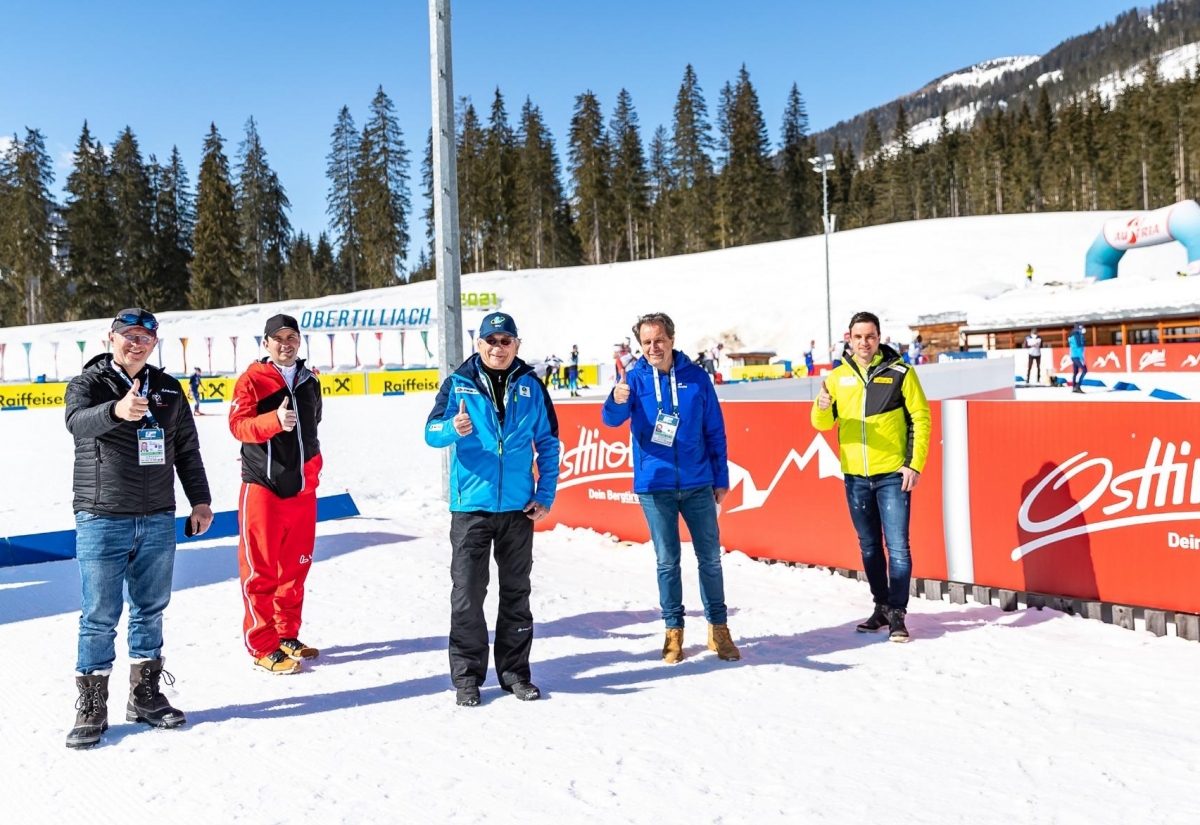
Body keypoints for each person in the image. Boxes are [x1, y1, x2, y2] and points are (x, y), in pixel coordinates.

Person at [63, 308, 214, 749]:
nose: (137, 343)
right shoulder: (88, 383)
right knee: (99, 616)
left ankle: (144, 696)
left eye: (146, 336)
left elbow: (186, 448)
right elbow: (76, 423)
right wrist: (117, 411)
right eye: (129, 335)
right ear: (110, 338)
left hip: (157, 517)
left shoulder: (167, 387)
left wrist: (200, 500)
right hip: (101, 516)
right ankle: (92, 705)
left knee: (150, 609)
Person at [424, 311, 560, 707]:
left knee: (517, 593)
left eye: (505, 341)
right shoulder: (459, 384)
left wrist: (545, 494)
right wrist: (453, 429)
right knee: (467, 594)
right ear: (478, 345)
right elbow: (431, 432)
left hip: (519, 509)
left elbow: (549, 444)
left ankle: (515, 674)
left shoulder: (532, 385)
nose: (497, 348)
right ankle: (467, 678)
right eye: (491, 341)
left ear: (517, 345)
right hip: (472, 509)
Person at [602, 312, 740, 664]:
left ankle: (718, 630)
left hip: (697, 483)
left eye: (659, 340)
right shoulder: (633, 379)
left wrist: (720, 477)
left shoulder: (696, 378)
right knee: (667, 561)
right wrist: (617, 399)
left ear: (672, 339)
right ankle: (673, 632)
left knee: (710, 558)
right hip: (655, 484)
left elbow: (715, 431)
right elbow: (611, 421)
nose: (653, 347)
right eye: (646, 342)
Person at [812, 311, 931, 643]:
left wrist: (914, 463)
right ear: (848, 339)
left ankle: (898, 612)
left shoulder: (900, 372)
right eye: (858, 336)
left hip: (893, 473)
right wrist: (822, 405)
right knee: (868, 547)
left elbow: (921, 418)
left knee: (898, 548)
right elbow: (821, 424)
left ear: (880, 338)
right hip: (855, 477)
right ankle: (881, 606)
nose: (864, 342)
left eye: (870, 336)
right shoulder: (836, 377)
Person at [229, 314, 324, 675]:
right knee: (261, 572)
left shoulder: (309, 380)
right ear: (266, 343)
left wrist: (312, 469)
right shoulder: (252, 380)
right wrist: (273, 422)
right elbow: (237, 425)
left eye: (292, 337)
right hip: (263, 488)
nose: (286, 344)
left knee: (296, 569)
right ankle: (262, 644)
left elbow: (313, 428)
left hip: (302, 489)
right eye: (278, 338)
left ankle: (287, 635)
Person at [1069, 323, 1087, 393]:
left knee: (1075, 372)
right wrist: (1082, 359)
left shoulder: (1072, 334)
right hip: (1077, 355)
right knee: (1084, 370)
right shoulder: (1077, 335)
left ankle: (1074, 387)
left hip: (1073, 355)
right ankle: (1077, 386)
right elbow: (1079, 347)